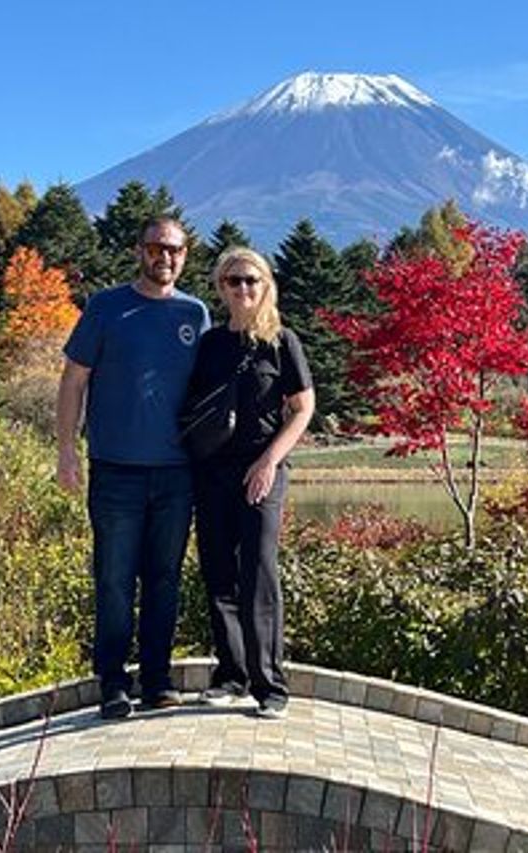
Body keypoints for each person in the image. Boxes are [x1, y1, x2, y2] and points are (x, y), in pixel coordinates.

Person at [56, 216, 210, 720]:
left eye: (176, 250)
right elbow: (74, 381)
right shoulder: (106, 307)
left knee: (165, 577)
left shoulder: (196, 313)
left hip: (177, 472)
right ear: (139, 251)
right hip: (115, 470)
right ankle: (113, 682)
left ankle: (158, 678)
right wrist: (65, 452)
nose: (166, 258)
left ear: (186, 255)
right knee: (115, 578)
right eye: (156, 248)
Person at [185, 247, 314, 720]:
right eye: (233, 281)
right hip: (212, 473)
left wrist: (268, 462)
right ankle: (232, 675)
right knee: (218, 572)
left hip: (263, 470)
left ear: (266, 286)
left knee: (258, 573)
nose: (243, 289)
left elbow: (302, 409)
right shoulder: (210, 344)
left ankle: (270, 686)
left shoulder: (282, 342)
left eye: (251, 280)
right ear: (220, 287)